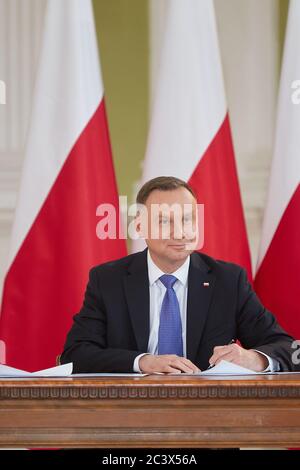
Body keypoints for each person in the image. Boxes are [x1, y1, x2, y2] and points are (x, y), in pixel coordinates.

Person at [61, 176, 295, 374]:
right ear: (140, 227)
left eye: (187, 219)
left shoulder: (228, 280)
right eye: (164, 221)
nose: (180, 232)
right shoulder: (108, 280)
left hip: (208, 412)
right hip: (130, 410)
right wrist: (143, 362)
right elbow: (75, 354)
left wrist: (255, 359)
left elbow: (286, 347)